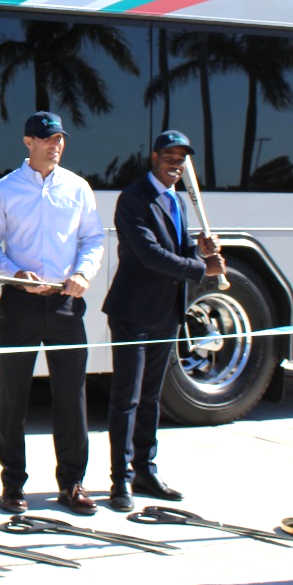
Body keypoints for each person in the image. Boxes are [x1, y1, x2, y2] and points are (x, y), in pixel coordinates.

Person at [0, 111, 104, 517]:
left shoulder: (78, 188)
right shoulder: (4, 189)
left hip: (66, 302)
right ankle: (13, 484)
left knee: (72, 397)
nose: (56, 145)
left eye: (60, 138)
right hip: (18, 304)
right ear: (27, 141)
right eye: (47, 138)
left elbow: (93, 239)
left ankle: (73, 483)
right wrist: (14, 274)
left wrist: (84, 273)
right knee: (14, 397)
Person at [104, 129, 225, 511]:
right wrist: (201, 268)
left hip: (166, 312)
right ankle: (120, 480)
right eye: (170, 157)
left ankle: (145, 469)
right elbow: (148, 254)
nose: (176, 165)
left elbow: (175, 248)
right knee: (128, 398)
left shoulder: (176, 200)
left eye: (181, 160)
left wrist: (197, 249)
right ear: (154, 157)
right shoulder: (133, 198)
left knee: (152, 398)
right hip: (133, 312)